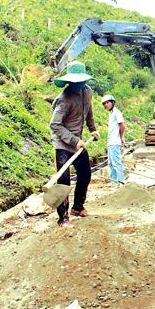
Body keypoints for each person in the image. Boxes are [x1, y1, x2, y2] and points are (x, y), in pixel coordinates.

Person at [50, 61, 100, 227]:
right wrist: (74, 140)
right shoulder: (64, 100)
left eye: (82, 82)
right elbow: (55, 125)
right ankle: (63, 218)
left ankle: (77, 207)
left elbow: (89, 111)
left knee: (85, 174)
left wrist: (92, 129)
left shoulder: (87, 92)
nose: (79, 85)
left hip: (78, 143)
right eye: (76, 82)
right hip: (63, 144)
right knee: (63, 181)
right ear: (70, 81)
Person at [101, 94, 125, 185]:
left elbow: (122, 124)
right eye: (104, 103)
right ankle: (114, 183)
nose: (106, 105)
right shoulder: (111, 113)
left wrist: (122, 137)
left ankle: (121, 182)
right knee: (111, 163)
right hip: (111, 142)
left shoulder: (116, 112)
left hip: (115, 141)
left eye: (107, 102)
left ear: (113, 102)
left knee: (117, 163)